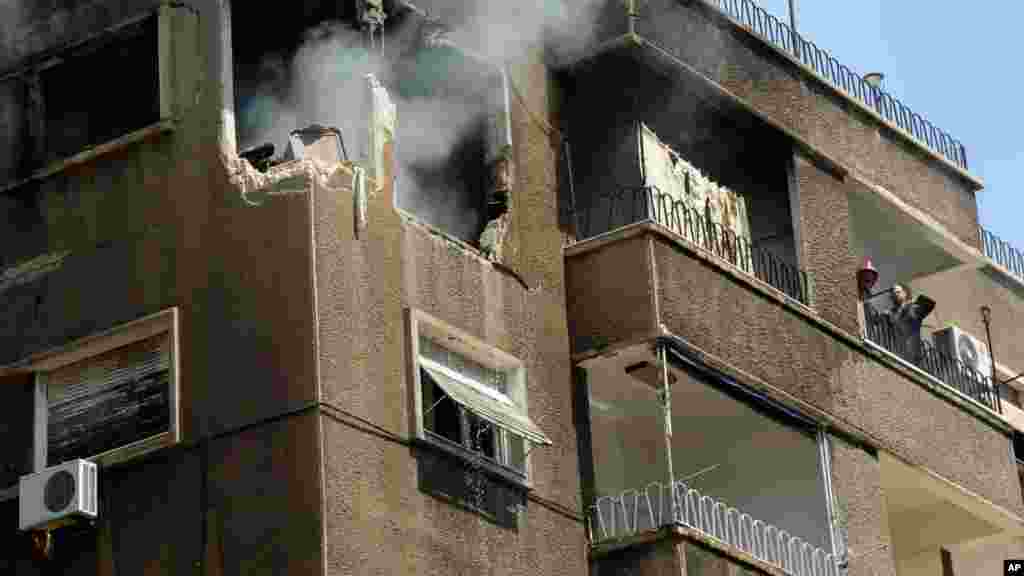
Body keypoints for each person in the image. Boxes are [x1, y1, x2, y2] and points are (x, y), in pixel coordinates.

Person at [883, 283, 936, 366]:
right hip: (897, 353)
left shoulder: (913, 308)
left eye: (898, 292)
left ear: (905, 293)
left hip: (913, 354)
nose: (895, 295)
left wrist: (912, 302)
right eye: (893, 294)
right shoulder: (890, 314)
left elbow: (930, 303)